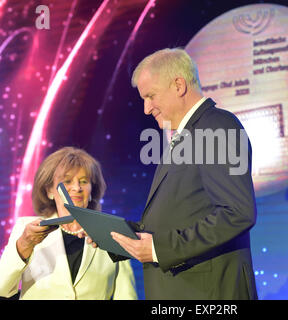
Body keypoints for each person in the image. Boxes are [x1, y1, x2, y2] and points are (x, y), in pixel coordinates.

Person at [108, 48, 258, 299]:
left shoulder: (217, 126)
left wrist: (158, 249)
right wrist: (110, 235)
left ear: (178, 85)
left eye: (151, 96)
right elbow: (178, 217)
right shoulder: (186, 136)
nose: (146, 109)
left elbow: (237, 213)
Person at [0, 147, 137, 300]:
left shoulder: (113, 234)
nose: (77, 188)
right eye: (67, 181)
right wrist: (25, 244)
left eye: (84, 181)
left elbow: (126, 295)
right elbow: (0, 288)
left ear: (92, 190)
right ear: (50, 191)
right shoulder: (25, 228)